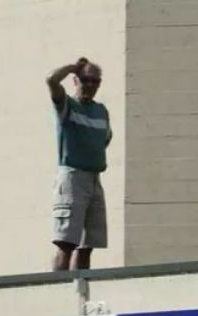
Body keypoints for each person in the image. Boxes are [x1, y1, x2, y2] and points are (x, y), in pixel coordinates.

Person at [46, 57, 112, 271]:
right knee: (66, 242)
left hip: (94, 178)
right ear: (76, 80)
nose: (90, 85)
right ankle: (55, 292)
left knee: (87, 245)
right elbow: (52, 80)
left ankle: (79, 291)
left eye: (95, 81)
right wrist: (73, 67)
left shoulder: (101, 111)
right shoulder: (68, 105)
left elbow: (104, 139)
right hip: (73, 177)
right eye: (86, 80)